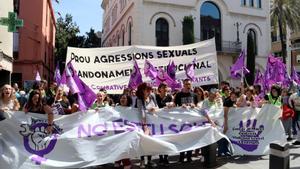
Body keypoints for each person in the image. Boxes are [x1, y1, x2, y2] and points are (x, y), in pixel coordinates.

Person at [174, 79, 198, 163]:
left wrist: (193, 105)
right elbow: (174, 106)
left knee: (190, 139)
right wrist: (181, 107)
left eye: (189, 84)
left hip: (191, 121)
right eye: (187, 84)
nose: (188, 86)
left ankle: (189, 157)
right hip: (181, 121)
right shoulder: (178, 95)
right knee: (182, 139)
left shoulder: (194, 95)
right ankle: (181, 157)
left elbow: (197, 106)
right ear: (183, 85)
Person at [136, 83, 158, 168]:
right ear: (142, 90)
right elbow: (142, 112)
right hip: (142, 123)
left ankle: (149, 160)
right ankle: (142, 160)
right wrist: (145, 126)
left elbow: (157, 107)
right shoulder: (139, 99)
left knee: (150, 141)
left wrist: (154, 109)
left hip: (153, 122)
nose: (149, 92)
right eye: (147, 90)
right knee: (142, 141)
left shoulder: (152, 96)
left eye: (150, 90)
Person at [155, 83, 172, 166]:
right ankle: (160, 157)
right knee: (159, 139)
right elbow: (154, 106)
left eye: (166, 87)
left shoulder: (169, 97)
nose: (165, 88)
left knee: (166, 139)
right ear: (160, 89)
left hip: (166, 121)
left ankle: (166, 157)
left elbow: (173, 106)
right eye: (163, 87)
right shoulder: (156, 97)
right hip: (157, 121)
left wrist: (171, 106)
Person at [114, 94, 132, 169]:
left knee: (124, 146)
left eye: (124, 98)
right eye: (121, 98)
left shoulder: (132, 110)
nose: (122, 99)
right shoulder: (115, 108)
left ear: (128, 100)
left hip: (127, 132)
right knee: (117, 146)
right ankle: (118, 160)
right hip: (117, 130)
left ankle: (126, 162)